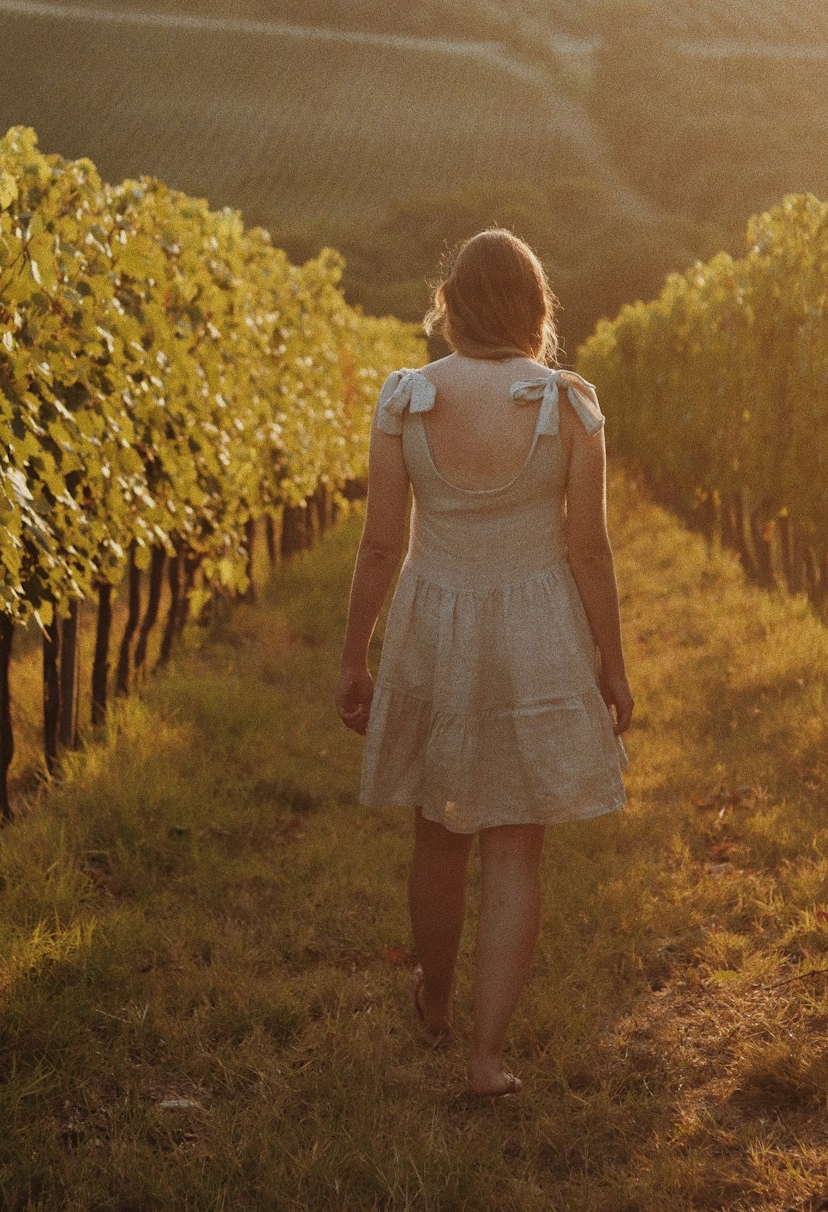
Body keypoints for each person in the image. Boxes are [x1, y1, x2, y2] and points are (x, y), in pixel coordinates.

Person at [334, 228, 634, 1099]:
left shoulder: (407, 399)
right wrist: (612, 666)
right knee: (516, 844)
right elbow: (591, 554)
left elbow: (382, 542)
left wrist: (356, 653)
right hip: (538, 637)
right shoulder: (571, 406)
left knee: (438, 828)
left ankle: (434, 1000)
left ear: (450, 307)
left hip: (435, 629)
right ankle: (486, 1057)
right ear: (538, 314)